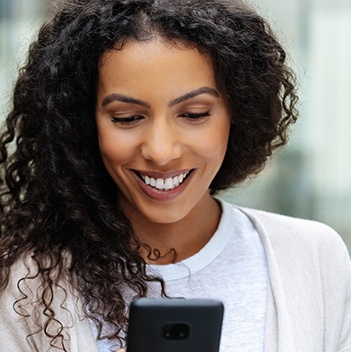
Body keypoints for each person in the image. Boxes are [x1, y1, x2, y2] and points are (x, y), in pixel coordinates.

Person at [0, 0, 350, 351]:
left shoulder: (313, 257)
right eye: (127, 118)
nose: (161, 151)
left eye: (195, 114)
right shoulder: (25, 284)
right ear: (82, 124)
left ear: (237, 113)